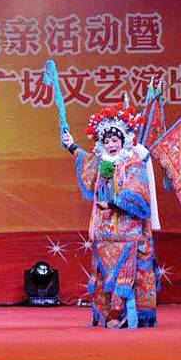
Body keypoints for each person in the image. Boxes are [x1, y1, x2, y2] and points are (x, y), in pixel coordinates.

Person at [62, 102, 159, 328]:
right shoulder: (101, 162)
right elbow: (86, 161)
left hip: (128, 232)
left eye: (115, 140)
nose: (111, 145)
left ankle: (122, 314)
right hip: (104, 232)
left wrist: (113, 203)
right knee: (105, 275)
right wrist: (71, 145)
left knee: (125, 274)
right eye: (106, 141)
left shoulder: (133, 164)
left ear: (123, 140)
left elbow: (139, 195)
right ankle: (107, 313)